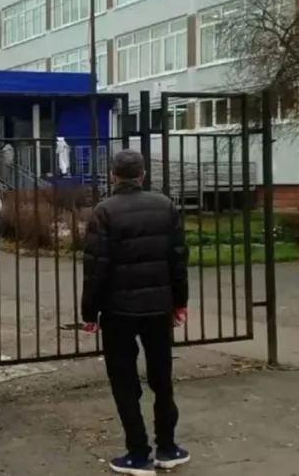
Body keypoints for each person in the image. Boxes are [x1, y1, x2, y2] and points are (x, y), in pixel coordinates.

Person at [80, 149, 190, 475]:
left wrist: (90, 314)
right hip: (158, 308)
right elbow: (178, 260)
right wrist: (180, 302)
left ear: (114, 176)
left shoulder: (104, 212)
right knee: (162, 377)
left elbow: (95, 268)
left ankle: (138, 453)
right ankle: (167, 447)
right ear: (142, 175)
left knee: (124, 380)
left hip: (119, 311)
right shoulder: (165, 206)